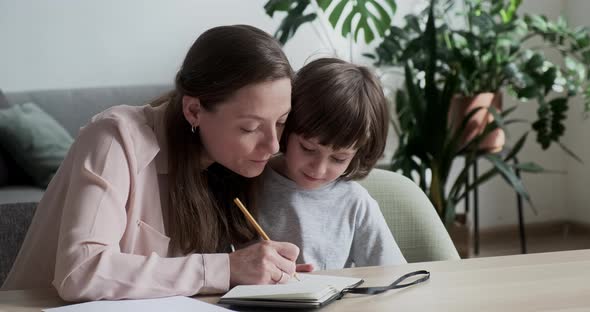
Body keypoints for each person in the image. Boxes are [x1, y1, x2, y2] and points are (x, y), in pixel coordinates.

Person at [2, 25, 311, 301]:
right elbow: (81, 272)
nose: (272, 145)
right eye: (249, 128)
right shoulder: (115, 136)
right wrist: (224, 268)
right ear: (193, 111)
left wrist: (269, 270)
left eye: (281, 122)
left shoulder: (228, 165)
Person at [256, 58, 407, 270]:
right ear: (287, 127)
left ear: (357, 154)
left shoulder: (355, 203)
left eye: (339, 159)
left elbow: (393, 275)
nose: (318, 168)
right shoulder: (249, 182)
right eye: (308, 149)